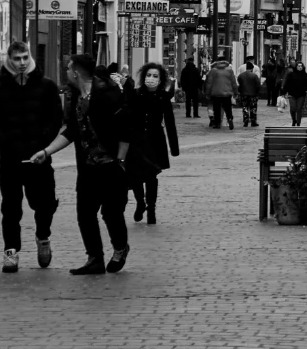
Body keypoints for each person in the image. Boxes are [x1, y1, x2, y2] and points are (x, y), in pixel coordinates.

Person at [0, 40, 64, 272]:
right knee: (10, 208)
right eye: (16, 58)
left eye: (24, 57)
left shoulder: (46, 86)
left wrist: (43, 144)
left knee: (45, 204)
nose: (21, 63)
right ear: (9, 59)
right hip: (10, 159)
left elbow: (55, 118)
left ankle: (43, 237)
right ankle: (11, 251)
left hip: (39, 157)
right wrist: (5, 144)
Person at [54, 55, 132, 275]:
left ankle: (120, 248)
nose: (67, 72)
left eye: (69, 68)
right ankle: (95, 258)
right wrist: (46, 151)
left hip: (110, 164)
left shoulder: (108, 93)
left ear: (76, 72)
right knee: (85, 213)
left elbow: (125, 129)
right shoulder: (76, 96)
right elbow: (71, 131)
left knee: (111, 212)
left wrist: (121, 161)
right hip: (87, 166)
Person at [127, 62, 180, 224]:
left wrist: (174, 148)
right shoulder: (135, 94)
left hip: (155, 140)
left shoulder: (163, 97)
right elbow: (127, 117)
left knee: (151, 177)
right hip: (136, 140)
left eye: (155, 76)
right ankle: (140, 202)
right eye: (149, 75)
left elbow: (169, 123)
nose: (151, 79)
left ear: (160, 79)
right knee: (135, 176)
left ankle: (151, 209)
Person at [206, 58, 237, 129]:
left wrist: (207, 93)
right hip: (227, 93)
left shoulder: (213, 71)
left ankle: (217, 123)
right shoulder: (229, 70)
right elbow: (233, 82)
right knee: (228, 108)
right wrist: (236, 92)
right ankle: (230, 119)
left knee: (216, 108)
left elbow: (209, 83)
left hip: (216, 93)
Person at [283, 60, 307, 127]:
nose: (300, 67)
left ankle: (298, 122)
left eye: (301, 66)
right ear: (296, 67)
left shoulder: (304, 75)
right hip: (292, 94)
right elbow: (286, 83)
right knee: (293, 108)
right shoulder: (291, 74)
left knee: (299, 109)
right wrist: (284, 92)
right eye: (299, 66)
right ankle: (294, 120)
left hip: (301, 94)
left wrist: (305, 89)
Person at [236, 60, 262, 127]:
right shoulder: (254, 76)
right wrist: (257, 92)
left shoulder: (241, 76)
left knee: (245, 108)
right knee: (253, 108)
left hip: (244, 94)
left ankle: (245, 120)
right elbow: (258, 85)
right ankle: (253, 121)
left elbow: (240, 84)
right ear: (252, 68)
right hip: (253, 94)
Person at [178, 53, 203, 121]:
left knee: (188, 101)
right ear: (193, 61)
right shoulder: (196, 70)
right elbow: (199, 79)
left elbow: (182, 79)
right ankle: (195, 114)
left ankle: (188, 114)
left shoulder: (184, 70)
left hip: (187, 88)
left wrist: (183, 87)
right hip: (195, 88)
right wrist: (200, 87)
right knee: (195, 101)